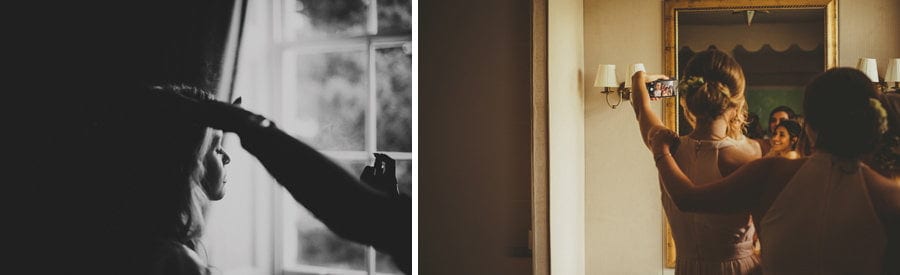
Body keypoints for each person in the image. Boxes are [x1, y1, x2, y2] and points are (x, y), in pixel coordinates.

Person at [647, 67, 899, 274]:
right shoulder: (890, 199)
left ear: (808, 124)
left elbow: (687, 198)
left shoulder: (769, 173)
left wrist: (661, 150)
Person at [152, 87, 412, 273]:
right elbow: (383, 224)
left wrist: (248, 125)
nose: (227, 158)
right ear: (189, 162)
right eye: (217, 147)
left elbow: (383, 224)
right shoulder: (171, 262)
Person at [629, 49, 762, 275]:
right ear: (736, 105)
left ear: (686, 102)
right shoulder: (748, 153)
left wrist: (642, 77)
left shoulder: (666, 145)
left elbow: (641, 104)